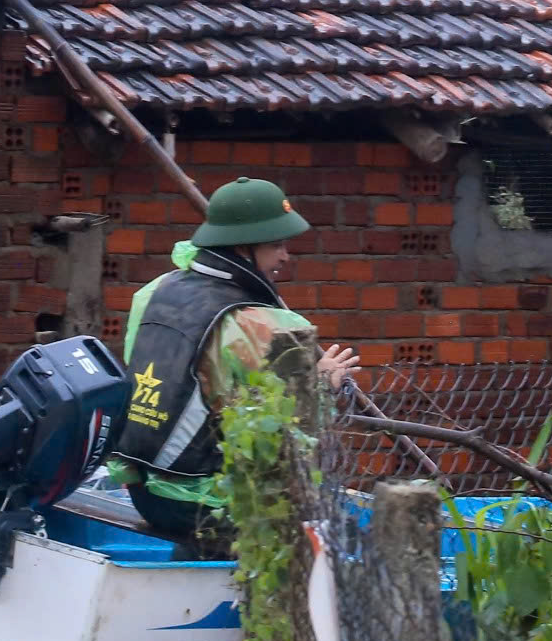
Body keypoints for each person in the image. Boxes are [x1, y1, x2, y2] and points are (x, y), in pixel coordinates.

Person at [103, 178, 362, 555]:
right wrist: (323, 382)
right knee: (349, 536)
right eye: (276, 246)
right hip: (213, 506)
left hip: (144, 491)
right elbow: (293, 431)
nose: (286, 257)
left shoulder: (156, 291)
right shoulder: (266, 325)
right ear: (243, 248)